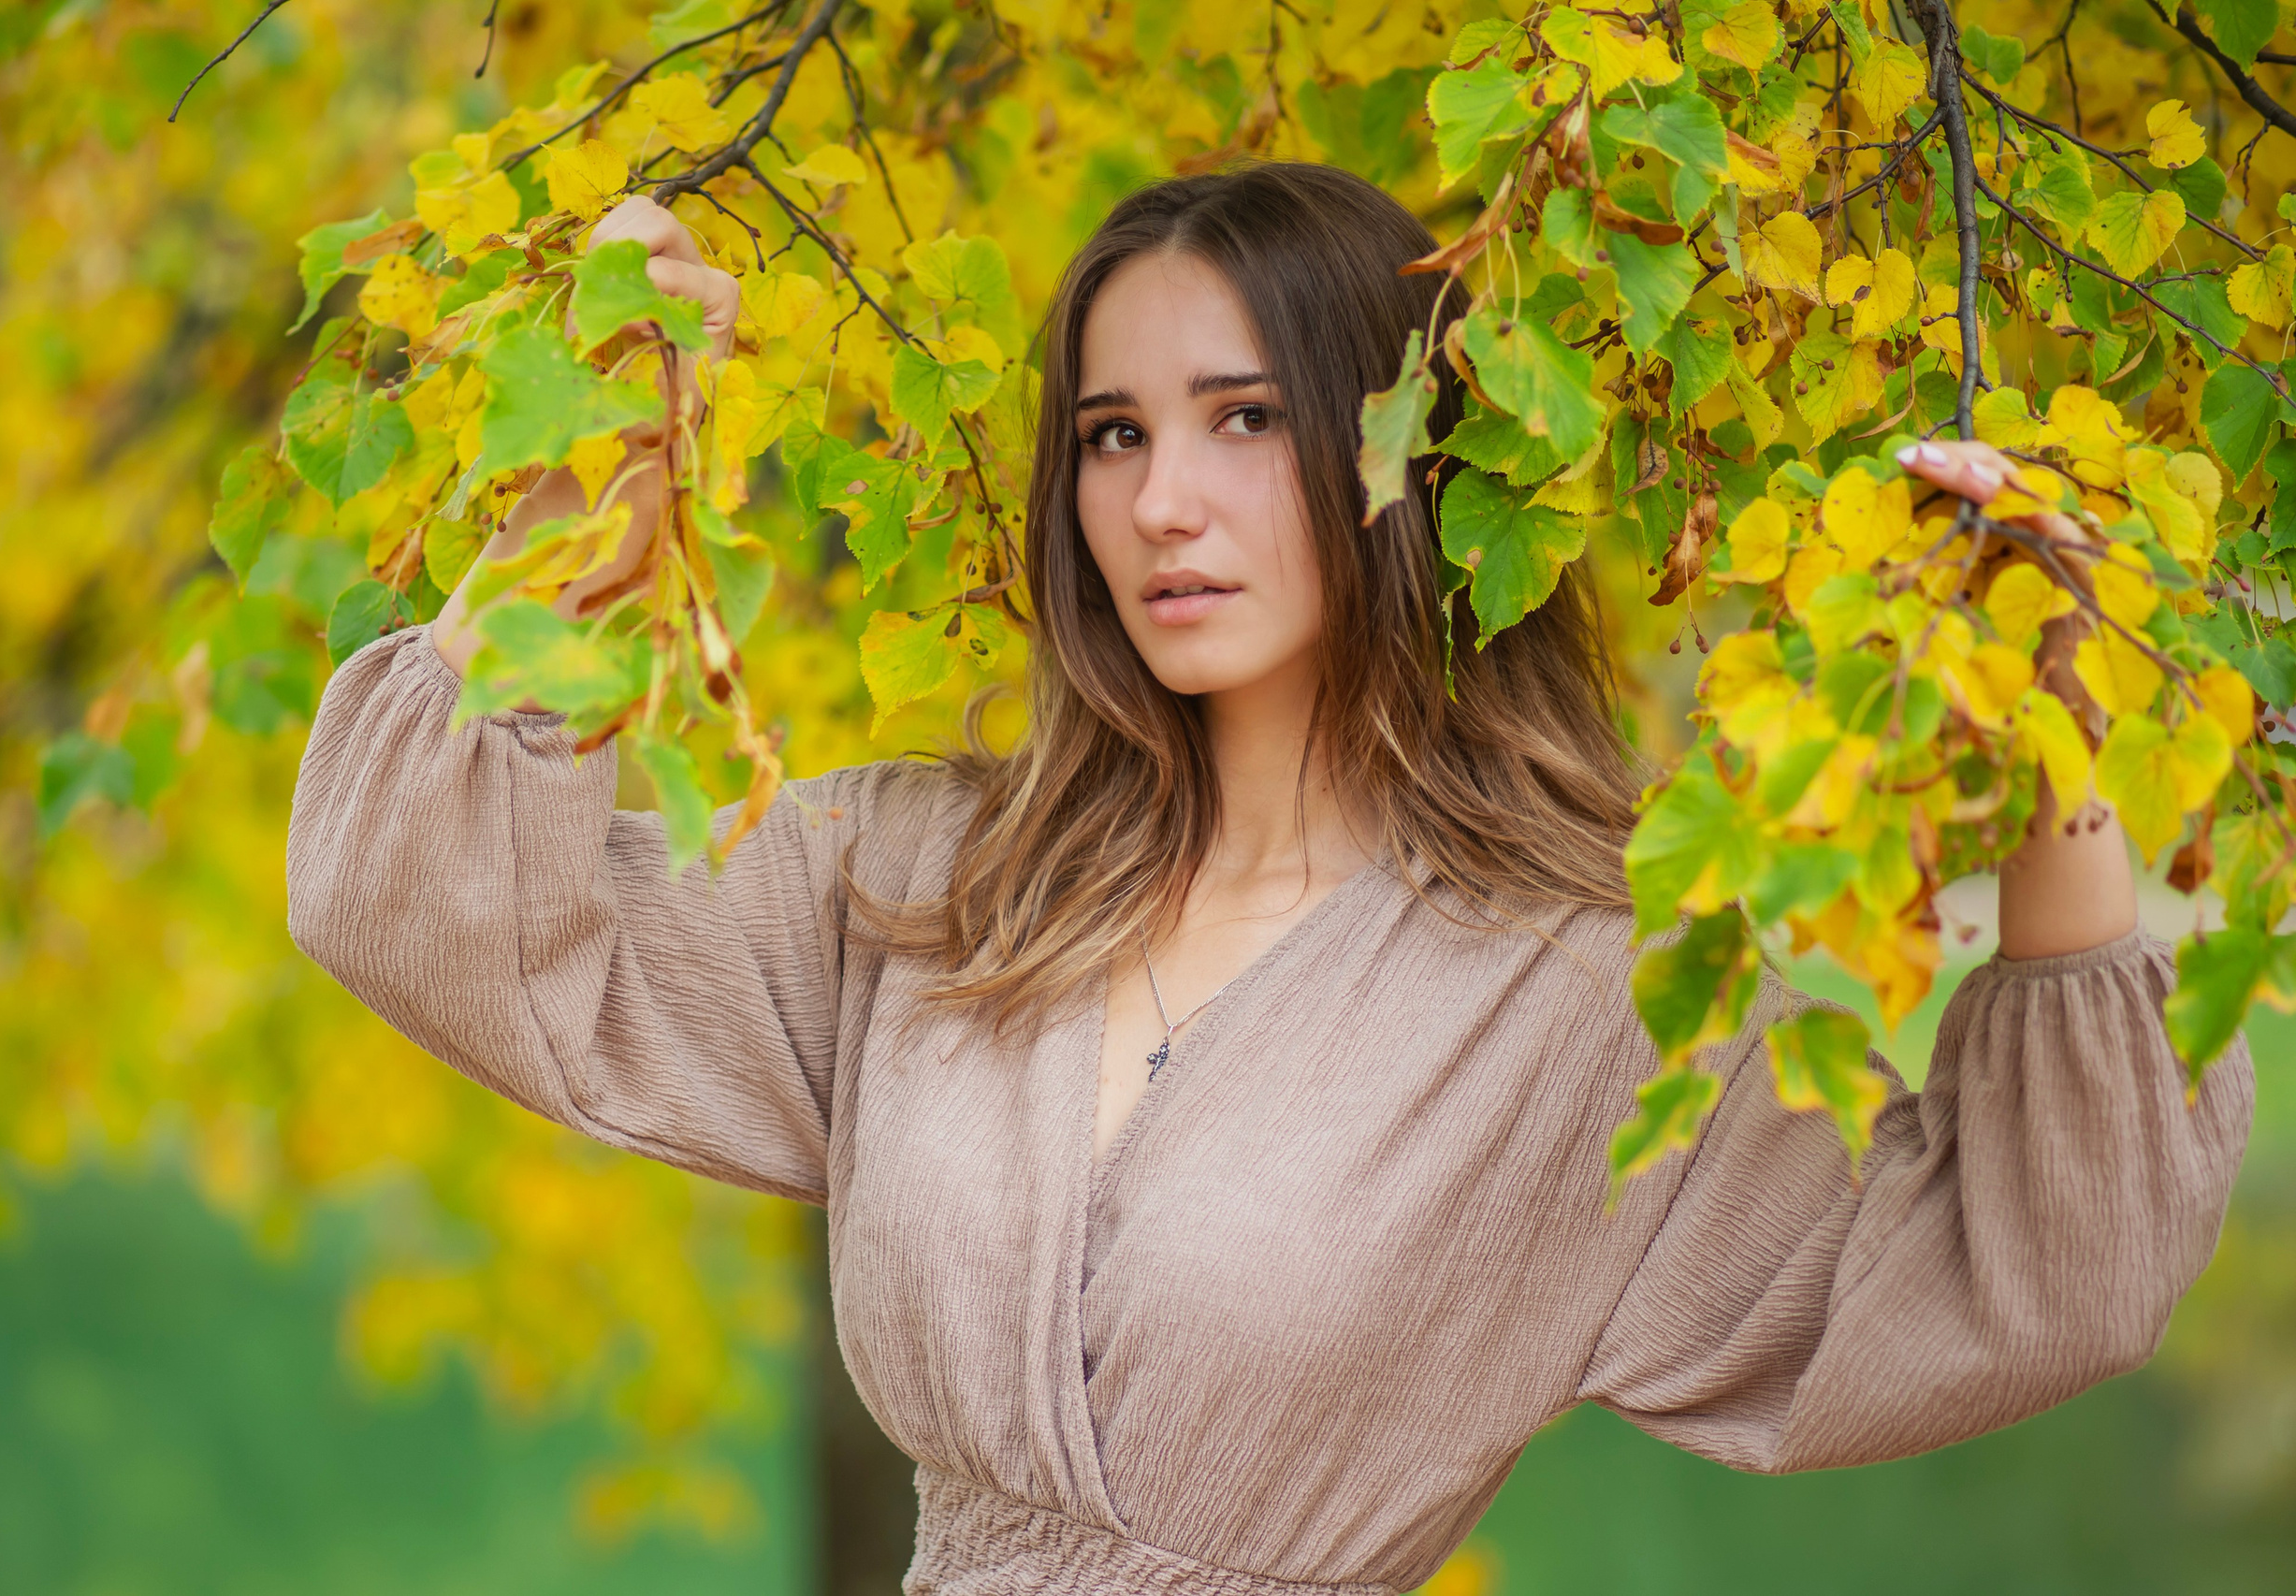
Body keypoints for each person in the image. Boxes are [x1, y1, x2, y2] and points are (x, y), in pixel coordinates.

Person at [286, 163, 2252, 1595]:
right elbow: (417, 902)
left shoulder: (1589, 995)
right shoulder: (937, 880)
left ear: (1403, 455)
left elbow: (2042, 1268)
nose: (1161, 502)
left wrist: (2052, 737)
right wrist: (590, 486)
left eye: (1243, 420)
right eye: (1111, 435)